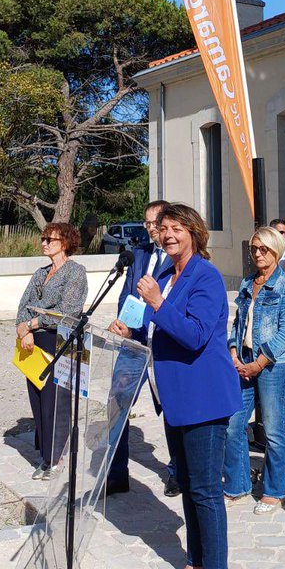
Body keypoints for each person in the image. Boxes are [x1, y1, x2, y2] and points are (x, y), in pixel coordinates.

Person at [110, 203, 240, 569]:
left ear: (193, 232)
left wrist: (157, 303)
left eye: (175, 228)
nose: (167, 235)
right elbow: (145, 320)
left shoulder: (206, 277)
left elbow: (195, 335)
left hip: (204, 398)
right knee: (187, 484)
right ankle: (194, 565)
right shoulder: (164, 274)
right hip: (174, 398)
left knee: (205, 490)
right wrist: (127, 326)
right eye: (162, 229)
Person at [224, 226, 285, 514]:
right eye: (254, 248)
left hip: (275, 366)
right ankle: (238, 484)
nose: (257, 253)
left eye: (263, 249)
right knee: (233, 423)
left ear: (276, 251)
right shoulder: (246, 283)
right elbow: (237, 323)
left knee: (274, 428)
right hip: (244, 362)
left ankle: (276, 489)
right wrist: (233, 350)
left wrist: (260, 363)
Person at [106, 200, 180, 497]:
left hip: (162, 343)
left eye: (155, 223)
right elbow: (127, 295)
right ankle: (115, 473)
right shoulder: (138, 255)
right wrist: (123, 323)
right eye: (147, 223)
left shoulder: (179, 259)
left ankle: (178, 472)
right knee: (117, 404)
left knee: (172, 410)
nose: (150, 228)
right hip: (133, 343)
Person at [16, 222, 87, 480]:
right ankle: (45, 453)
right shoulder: (41, 273)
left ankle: (54, 459)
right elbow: (25, 305)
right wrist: (23, 330)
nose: (44, 243)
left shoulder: (75, 273)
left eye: (50, 239)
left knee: (54, 402)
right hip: (33, 343)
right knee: (37, 399)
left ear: (65, 243)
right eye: (43, 238)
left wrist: (35, 323)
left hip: (59, 342)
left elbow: (68, 312)